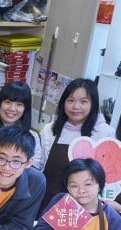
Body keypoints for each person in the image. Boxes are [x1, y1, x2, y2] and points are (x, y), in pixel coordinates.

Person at [37, 78, 114, 215]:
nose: (75, 107)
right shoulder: (50, 129)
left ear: (93, 104)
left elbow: (106, 176)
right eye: (70, 100)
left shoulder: (104, 132)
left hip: (84, 205)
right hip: (48, 200)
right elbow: (40, 165)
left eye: (83, 101)